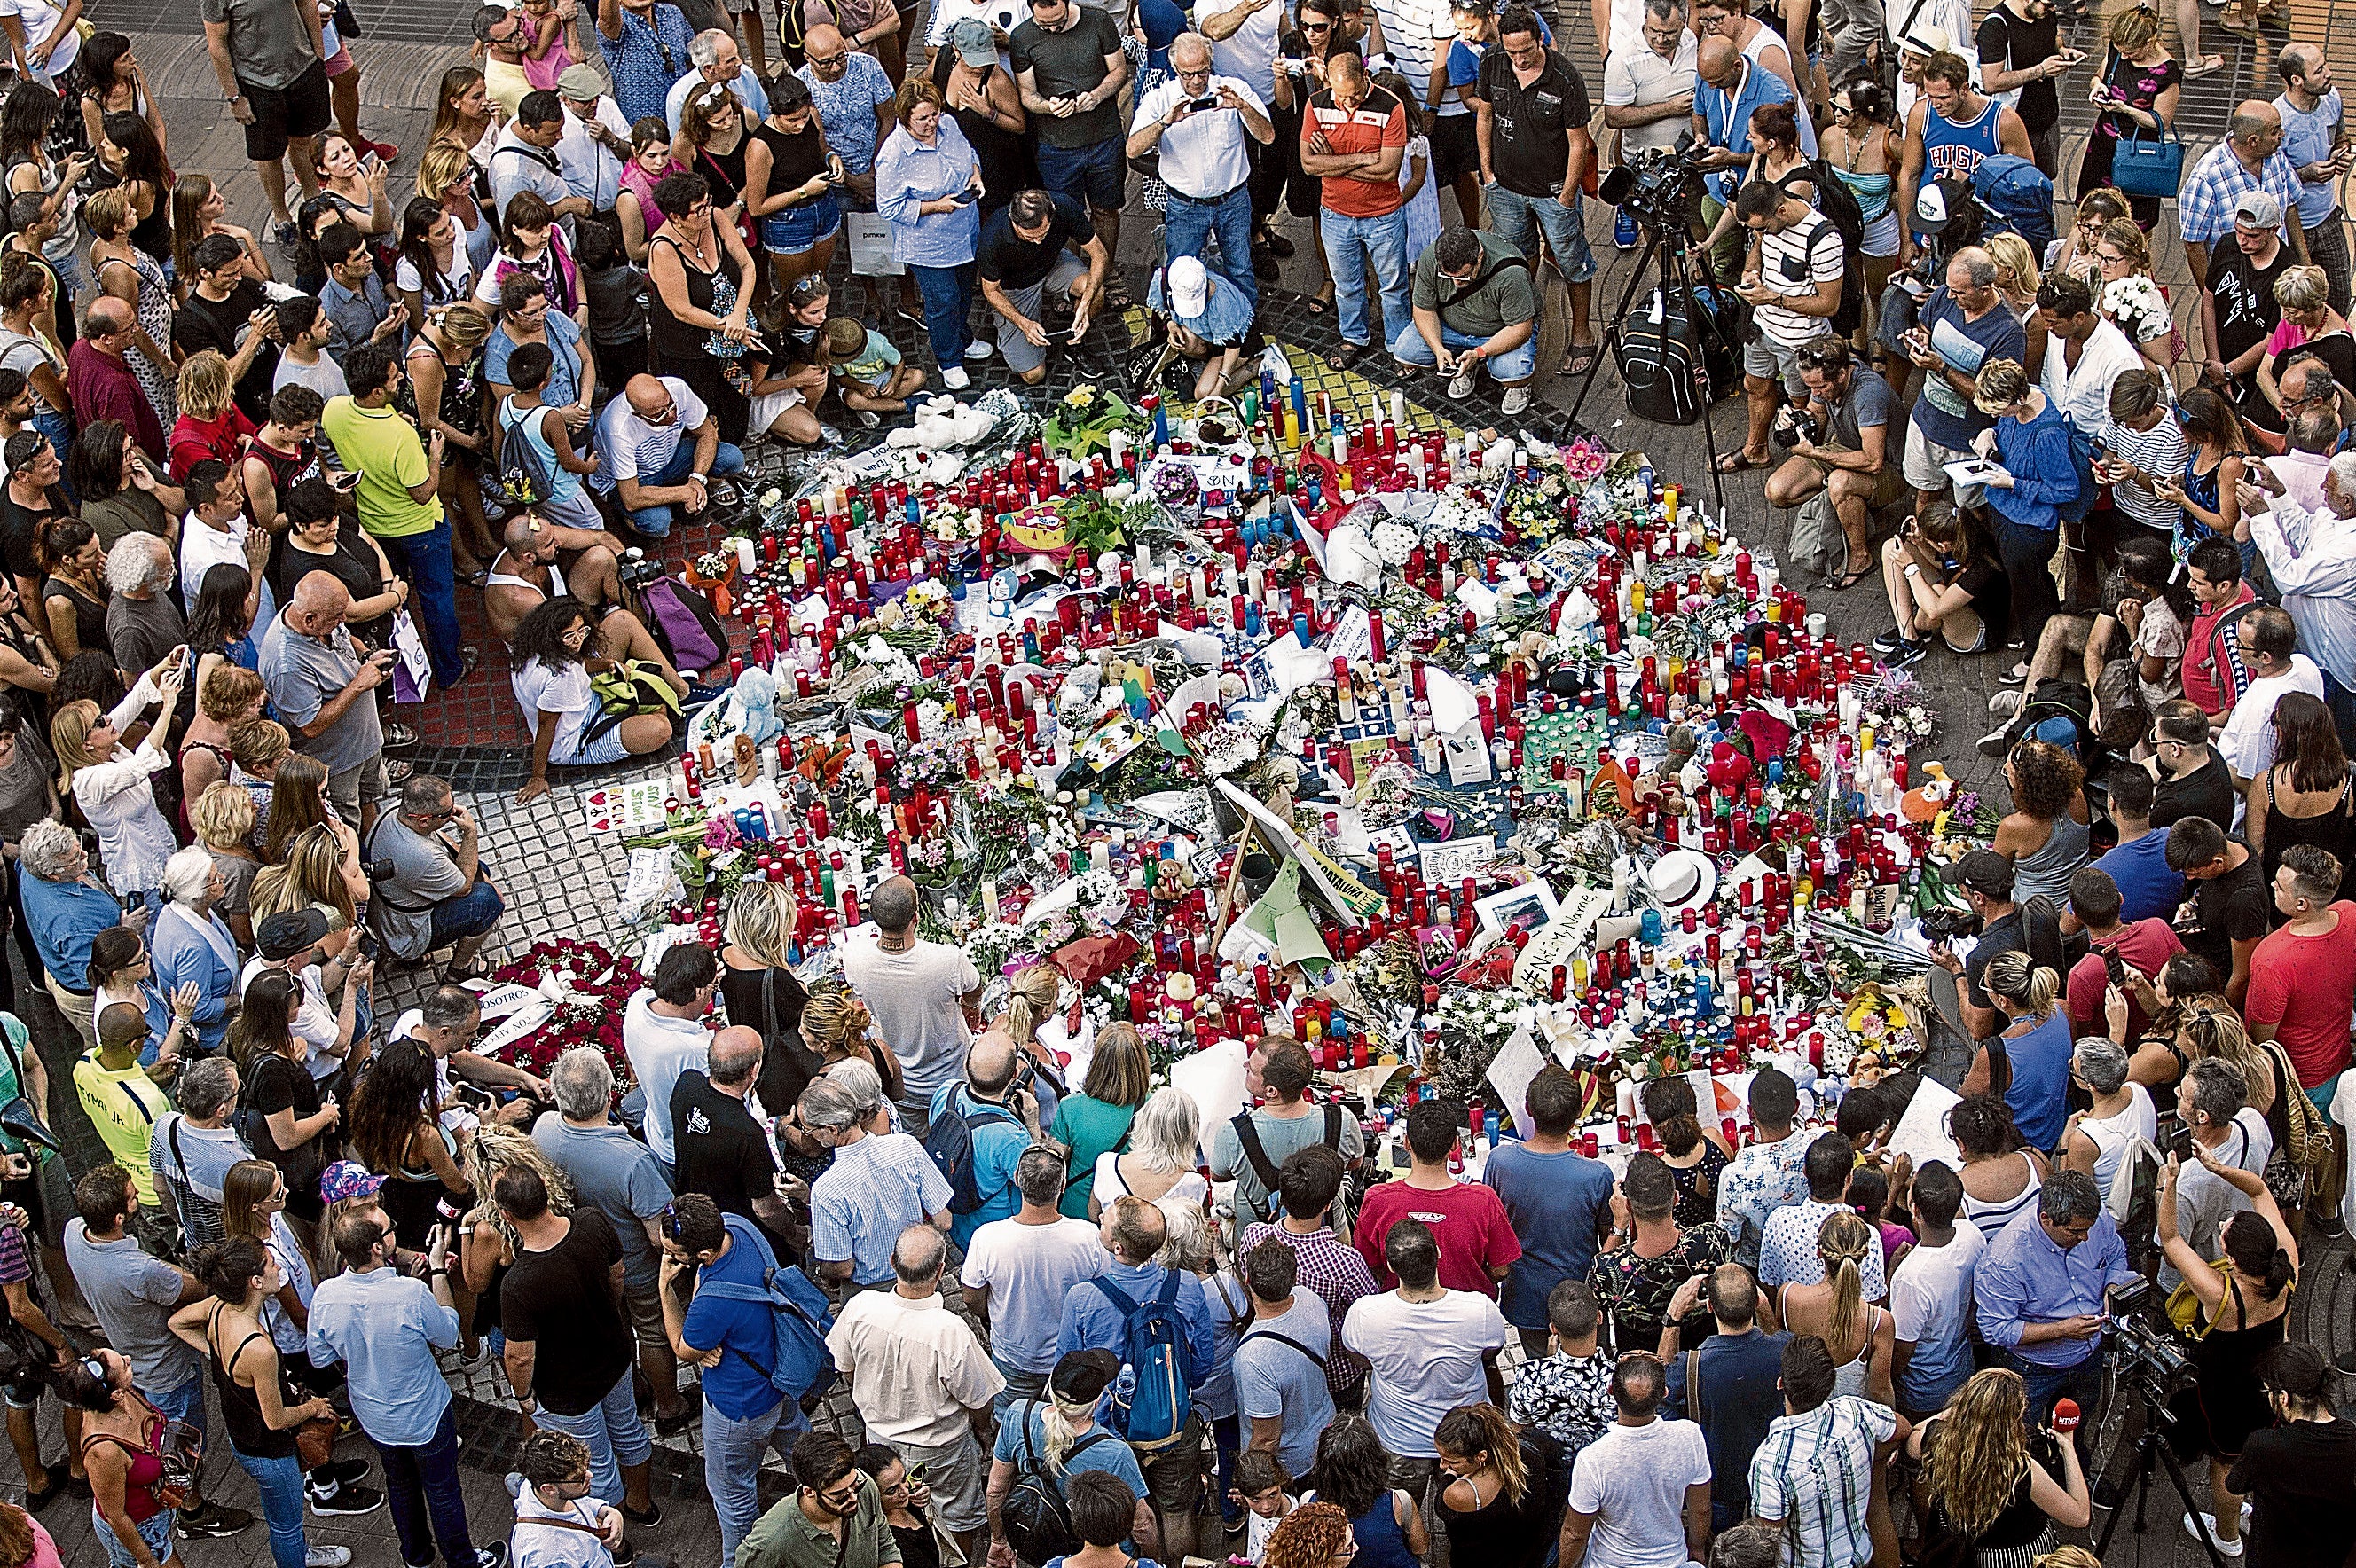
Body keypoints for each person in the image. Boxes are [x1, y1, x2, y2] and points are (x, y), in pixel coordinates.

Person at [62, 1164, 255, 1541]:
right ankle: (193, 1510)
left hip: (133, 1361)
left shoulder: (74, 1233)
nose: (138, 1197)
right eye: (133, 1195)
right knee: (181, 1448)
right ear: (119, 1217)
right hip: (169, 1368)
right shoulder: (141, 1270)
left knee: (153, 1437)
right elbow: (195, 1287)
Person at [307, 1209, 504, 1568]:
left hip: (373, 1415)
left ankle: (416, 1556)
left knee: (399, 1485)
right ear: (379, 1247)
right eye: (391, 1228)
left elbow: (319, 1357)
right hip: (424, 1413)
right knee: (443, 1490)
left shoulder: (326, 1296)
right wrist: (439, 1272)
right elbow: (447, 1335)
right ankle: (463, 1560)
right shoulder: (410, 1293)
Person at [164, 1238, 350, 1568]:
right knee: (287, 1526)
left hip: (243, 1439)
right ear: (256, 1282)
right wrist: (314, 1408)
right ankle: (297, 1559)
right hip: (269, 1453)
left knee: (279, 1513)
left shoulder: (219, 1307)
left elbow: (176, 1322)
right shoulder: (258, 1349)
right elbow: (276, 1419)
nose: (279, 1267)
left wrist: (217, 1356)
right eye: (271, 1263)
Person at [493, 1165, 656, 1534]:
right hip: (615, 1359)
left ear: (506, 1214)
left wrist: (524, 1398)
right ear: (546, 1194)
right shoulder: (591, 1222)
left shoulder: (518, 1283)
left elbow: (519, 1355)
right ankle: (642, 1506)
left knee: (591, 1466)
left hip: (567, 1392)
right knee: (629, 1431)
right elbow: (618, 1276)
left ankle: (611, 1538)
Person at [829, 1224, 1003, 1558]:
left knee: (889, 1511)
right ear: (940, 1271)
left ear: (892, 1262)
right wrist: (982, 1432)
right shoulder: (950, 1331)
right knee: (957, 1514)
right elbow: (980, 1399)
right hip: (942, 1448)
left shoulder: (861, 1308)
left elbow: (846, 1368)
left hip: (879, 1441)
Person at [1055, 1196, 1214, 1560]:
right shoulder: (1187, 1286)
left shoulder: (1083, 1298)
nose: (1099, 1223)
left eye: (1104, 1223)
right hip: (1173, 1425)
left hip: (1111, 1432)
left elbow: (1066, 1369)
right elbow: (1203, 1363)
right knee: (1176, 1512)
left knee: (1120, 1516)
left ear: (1118, 1246)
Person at [320, 344, 467, 691]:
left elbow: (329, 445)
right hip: (421, 529)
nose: (401, 377)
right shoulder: (400, 437)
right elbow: (422, 493)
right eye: (393, 378)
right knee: (438, 599)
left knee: (391, 600)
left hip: (375, 527)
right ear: (376, 391)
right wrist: (434, 455)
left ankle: (396, 671)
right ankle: (449, 669)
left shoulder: (335, 411)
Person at [1341, 1219, 1506, 1507]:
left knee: (1405, 1507)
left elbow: (1360, 1359)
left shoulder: (1365, 1313)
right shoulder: (1479, 1309)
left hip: (1399, 1437)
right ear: (1439, 1255)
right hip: (1463, 1438)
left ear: (1391, 1266)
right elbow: (1490, 1353)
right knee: (1464, 1507)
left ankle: (1414, 1543)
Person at [1469, 6, 1594, 378]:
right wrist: (1488, 173)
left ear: (1541, 39)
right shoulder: (1492, 61)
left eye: (1526, 50)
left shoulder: (1566, 78)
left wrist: (1568, 195)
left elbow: (1580, 143)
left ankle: (1582, 332)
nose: (1519, 59)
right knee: (1515, 261)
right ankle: (1522, 329)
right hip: (1505, 188)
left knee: (1573, 261)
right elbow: (1485, 115)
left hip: (1554, 192)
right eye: (1512, 52)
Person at [1972, 1171, 2138, 1420]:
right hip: (2031, 1371)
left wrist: (2111, 1287)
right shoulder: (2005, 1261)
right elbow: (1996, 1329)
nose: (2085, 1238)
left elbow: (2115, 1254)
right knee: (2024, 1439)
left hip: (2088, 1357)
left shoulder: (2095, 1219)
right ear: (2046, 1218)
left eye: (2088, 1229)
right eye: (2075, 1232)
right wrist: (2062, 1330)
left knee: (2078, 1427)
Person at [1128, 34, 1271, 309]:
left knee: (1240, 269)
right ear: (1175, 69)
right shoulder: (1161, 99)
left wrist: (1243, 107)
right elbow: (1133, 149)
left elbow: (1267, 136)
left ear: (1210, 64)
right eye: (1188, 74)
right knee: (1180, 275)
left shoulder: (1233, 89)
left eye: (1202, 71)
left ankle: (1244, 335)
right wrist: (1164, 123)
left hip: (1233, 202)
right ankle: (1185, 333)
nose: (1196, 80)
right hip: (1185, 206)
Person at [962, 1146, 1104, 1408]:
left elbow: (971, 1298)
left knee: (1009, 1418)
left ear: (1017, 1180)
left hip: (1014, 1355)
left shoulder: (988, 1238)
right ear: (1062, 1186)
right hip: (1070, 1357)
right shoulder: (1089, 1237)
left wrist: (992, 1317)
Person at [982, 1346, 1151, 1568]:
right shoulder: (1115, 1453)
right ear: (1097, 1400)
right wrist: (1152, 1559)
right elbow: (1142, 1525)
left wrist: (999, 1540)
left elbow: (996, 1489)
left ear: (1051, 1388)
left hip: (1039, 1543)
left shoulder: (1017, 1415)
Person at [1481, 1064, 1613, 1351]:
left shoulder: (1500, 1163)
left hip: (1527, 1299)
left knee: (1538, 1366)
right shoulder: (1596, 1175)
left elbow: (1491, 1230)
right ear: (1578, 1114)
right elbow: (1607, 1244)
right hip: (1582, 1301)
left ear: (1528, 1109)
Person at [1747, 1337, 1904, 1568]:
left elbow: (1766, 1542)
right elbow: (1902, 1429)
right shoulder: (1856, 1414)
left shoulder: (1771, 1463)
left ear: (1781, 1383)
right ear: (1829, 1384)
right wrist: (1869, 1456)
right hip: (1860, 1558)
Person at [1237, 1145, 1376, 1406]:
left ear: (1282, 1197)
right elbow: (1369, 1313)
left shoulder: (1253, 1237)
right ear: (1327, 1205)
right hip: (1336, 1373)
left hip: (1277, 1367)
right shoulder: (1346, 1263)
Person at [1907, 1367, 2089, 1563]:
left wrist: (1964, 1409)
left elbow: (1913, 1441)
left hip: (1963, 1553)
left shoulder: (1940, 1442)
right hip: (2015, 1556)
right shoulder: (2021, 1469)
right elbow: (2079, 1516)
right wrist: (2068, 1448)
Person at [842, 876, 981, 1132]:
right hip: (951, 1078)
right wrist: (971, 1008)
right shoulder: (947, 960)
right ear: (916, 917)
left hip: (903, 1082)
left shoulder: (854, 957)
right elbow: (973, 988)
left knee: (921, 1142)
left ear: (872, 916)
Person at [1902, 247, 2028, 524]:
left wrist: (1942, 368)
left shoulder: (2008, 332)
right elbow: (1925, 328)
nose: (1949, 296)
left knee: (1975, 513)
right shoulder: (1946, 295)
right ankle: (1925, 552)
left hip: (1969, 440)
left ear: (1985, 289)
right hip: (1927, 422)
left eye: (1960, 292)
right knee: (1925, 496)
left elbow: (1993, 398)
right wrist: (1919, 340)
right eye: (1949, 289)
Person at [874, 82, 987, 389]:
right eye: (923, 119)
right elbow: (888, 207)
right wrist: (936, 206)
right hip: (929, 243)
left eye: (934, 114)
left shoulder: (949, 125)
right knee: (943, 300)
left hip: (964, 231)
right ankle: (948, 358)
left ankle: (962, 340)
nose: (932, 123)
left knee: (964, 293)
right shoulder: (894, 155)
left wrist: (975, 173)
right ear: (905, 118)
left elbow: (970, 152)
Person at [1299, 51, 1406, 374]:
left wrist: (1333, 163)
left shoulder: (1391, 107)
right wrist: (1362, 158)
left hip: (1383, 215)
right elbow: (1308, 164)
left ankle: (1399, 343)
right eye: (1341, 96)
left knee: (1393, 286)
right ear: (1329, 82)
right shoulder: (1316, 104)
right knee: (1346, 285)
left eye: (1355, 95)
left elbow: (1388, 171)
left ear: (1364, 76)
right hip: (1336, 215)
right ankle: (1354, 338)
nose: (1348, 103)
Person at [1009, 0, 1127, 286]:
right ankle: (1072, 279)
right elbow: (1027, 94)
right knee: (1062, 214)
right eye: (1043, 25)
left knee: (1106, 209)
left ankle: (1105, 273)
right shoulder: (1022, 37)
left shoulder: (1098, 22)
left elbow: (1120, 71)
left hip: (1104, 138)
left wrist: (1097, 96)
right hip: (1056, 148)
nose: (1051, 29)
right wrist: (1048, 107)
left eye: (1058, 22)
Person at [1558, 1352, 1710, 1568]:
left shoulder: (1593, 1459)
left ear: (1611, 1392)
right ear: (1664, 1394)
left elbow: (1574, 1534)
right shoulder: (1690, 1436)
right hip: (1672, 1561)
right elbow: (1701, 1508)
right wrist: (1696, 1548)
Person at [1352, 1099, 1518, 1297]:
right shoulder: (1484, 1201)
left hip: (1402, 1312)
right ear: (1456, 1145)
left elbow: (1369, 1265)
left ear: (1406, 1143)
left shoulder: (1377, 1201)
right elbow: (1501, 1269)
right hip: (1469, 1316)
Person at [805, 1076, 952, 1289]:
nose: (809, 1136)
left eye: (810, 1130)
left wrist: (821, 1271)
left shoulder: (827, 1189)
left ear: (831, 1130)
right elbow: (944, 1221)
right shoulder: (906, 1146)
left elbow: (843, 1267)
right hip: (919, 1277)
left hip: (870, 1290)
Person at [200, 0, 326, 247]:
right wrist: (234, 97)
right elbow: (217, 44)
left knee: (303, 142)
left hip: (302, 71)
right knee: (269, 157)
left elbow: (307, 6)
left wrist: (318, 57)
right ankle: (282, 218)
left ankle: (314, 200)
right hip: (259, 85)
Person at [1589, 1150, 1738, 1357]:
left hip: (1643, 1372)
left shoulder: (1608, 1268)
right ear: (1675, 1199)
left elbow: (1597, 1290)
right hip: (1704, 1357)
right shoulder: (1712, 1240)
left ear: (1628, 1205)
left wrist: (1619, 1226)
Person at [2233, 1342, 2356, 1568]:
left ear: (2284, 1398)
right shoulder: (2352, 1437)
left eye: (2268, 1391)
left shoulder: (2264, 1445)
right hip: (2330, 1555)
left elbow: (2235, 1484)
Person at [586, 371, 747, 538]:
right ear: (638, 415)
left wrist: (697, 478)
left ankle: (692, 488)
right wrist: (685, 493)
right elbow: (631, 498)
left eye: (670, 404)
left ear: (663, 386)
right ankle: (630, 520)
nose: (671, 414)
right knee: (658, 524)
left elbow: (707, 433)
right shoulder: (618, 430)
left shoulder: (677, 387)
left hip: (670, 457)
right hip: (634, 480)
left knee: (732, 458)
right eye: (659, 414)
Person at [1884, 1162, 1983, 1418]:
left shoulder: (1911, 1277)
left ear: (1914, 1209)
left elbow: (1902, 1351)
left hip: (1923, 1390)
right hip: (1962, 1369)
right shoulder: (1972, 1235)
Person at [2182, 102, 2311, 294]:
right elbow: (2194, 244)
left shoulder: (2275, 157)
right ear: (2253, 141)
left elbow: (2290, 208)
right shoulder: (2206, 177)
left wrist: (2306, 266)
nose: (2281, 135)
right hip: (2237, 289)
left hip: (2280, 281)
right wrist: (2212, 298)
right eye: (2275, 131)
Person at [2073, 7, 2177, 229]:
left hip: (2137, 157)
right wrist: (2097, 87)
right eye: (2121, 51)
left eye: (2131, 53)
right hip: (2102, 148)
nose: (2124, 56)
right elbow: (2099, 77)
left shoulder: (2166, 73)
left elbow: (2161, 122)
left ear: (2149, 43)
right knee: (2092, 215)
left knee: (2132, 227)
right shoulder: (2118, 50)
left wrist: (2125, 109)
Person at [742, 1430, 906, 1568]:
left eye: (855, 1485)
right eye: (840, 1496)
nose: (854, 1498)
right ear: (810, 1492)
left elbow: (885, 1545)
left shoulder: (866, 1485)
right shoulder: (770, 1542)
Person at [2169, 814, 2275, 1008]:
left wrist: (2220, 1014)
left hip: (2214, 987)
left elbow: (2241, 975)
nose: (2190, 878)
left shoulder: (2245, 901)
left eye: (2195, 872)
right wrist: (2192, 905)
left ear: (2218, 862)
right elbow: (2209, 892)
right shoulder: (2231, 843)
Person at [1506, 1280, 1614, 1458]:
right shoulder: (1619, 1378)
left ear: (1553, 1328)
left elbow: (1520, 1431)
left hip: (1552, 1473)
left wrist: (1548, 1362)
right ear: (1600, 1318)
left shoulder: (1528, 1376)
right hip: (1605, 1472)